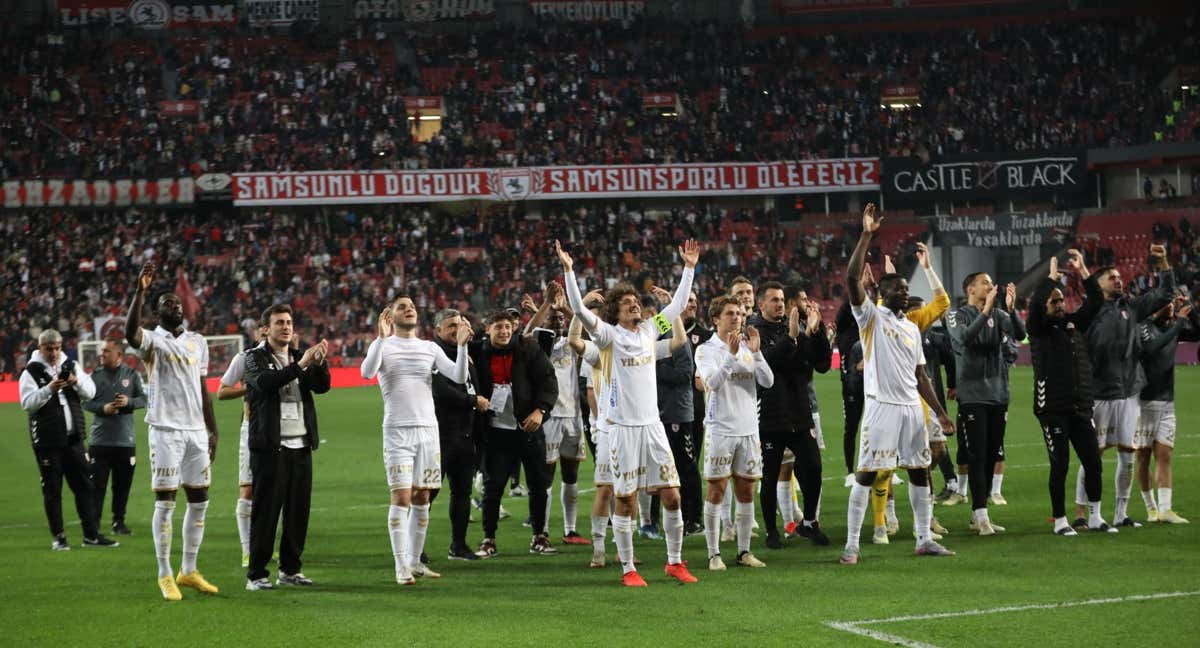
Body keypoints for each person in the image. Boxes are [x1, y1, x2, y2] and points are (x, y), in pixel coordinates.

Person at [559, 238, 702, 587]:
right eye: (627, 303)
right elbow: (578, 309)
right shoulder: (608, 336)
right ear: (615, 313)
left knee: (672, 494)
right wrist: (570, 272)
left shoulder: (651, 332)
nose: (635, 305)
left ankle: (674, 562)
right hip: (622, 429)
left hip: (652, 426)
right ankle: (628, 568)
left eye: (636, 301)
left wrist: (689, 268)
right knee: (624, 500)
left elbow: (679, 307)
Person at [840, 204, 956, 565]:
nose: (906, 294)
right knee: (867, 473)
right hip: (881, 408)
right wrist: (867, 234)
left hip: (911, 409)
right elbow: (851, 279)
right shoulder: (870, 318)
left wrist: (940, 414)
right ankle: (852, 545)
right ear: (885, 294)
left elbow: (920, 375)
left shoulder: (910, 327)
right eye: (900, 290)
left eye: (907, 289)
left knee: (920, 471)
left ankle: (923, 539)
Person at [360, 295, 472, 585]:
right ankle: (400, 566)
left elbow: (458, 376)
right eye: (402, 306)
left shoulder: (429, 347)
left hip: (428, 431)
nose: (409, 309)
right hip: (397, 430)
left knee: (423, 496)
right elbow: (366, 373)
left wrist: (462, 345)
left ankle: (415, 562)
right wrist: (381, 339)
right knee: (401, 497)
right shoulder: (383, 344)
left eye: (411, 306)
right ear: (390, 315)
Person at [125, 261, 220, 600]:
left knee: (200, 501)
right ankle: (164, 574)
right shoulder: (152, 340)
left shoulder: (198, 342)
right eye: (167, 304)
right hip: (165, 429)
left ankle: (189, 570)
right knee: (166, 503)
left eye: (177, 304)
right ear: (157, 312)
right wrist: (140, 292)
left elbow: (203, 387)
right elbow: (129, 333)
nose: (175, 307)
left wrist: (213, 430)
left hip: (196, 430)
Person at [1076, 244, 1175, 528]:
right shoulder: (1090, 312)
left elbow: (1165, 294)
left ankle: (1121, 514)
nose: (1119, 280)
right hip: (1098, 393)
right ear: (1098, 285)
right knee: (1092, 456)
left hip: (1129, 391)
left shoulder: (1131, 307)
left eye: (1120, 277)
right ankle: (1082, 514)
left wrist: (1164, 261)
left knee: (1127, 456)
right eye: (1112, 278)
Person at [242, 305, 330, 590]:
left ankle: (290, 570)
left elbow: (322, 387)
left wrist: (319, 363)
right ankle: (256, 575)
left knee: (297, 511)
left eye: (289, 322)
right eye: (279, 322)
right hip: (271, 446)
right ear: (266, 328)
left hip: (301, 444)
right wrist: (301, 364)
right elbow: (266, 383)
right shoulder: (254, 358)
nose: (286, 327)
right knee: (266, 512)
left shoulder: (297, 355)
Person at [1027, 252, 1113, 534]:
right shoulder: (1038, 330)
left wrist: (1084, 270)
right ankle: (1060, 520)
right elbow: (1038, 302)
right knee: (1060, 464)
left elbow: (1097, 300)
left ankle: (1097, 516)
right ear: (1044, 306)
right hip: (1052, 409)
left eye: (1061, 299)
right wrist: (1050, 278)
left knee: (1093, 462)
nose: (1060, 304)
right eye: (1054, 301)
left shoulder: (1074, 325)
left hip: (1080, 407)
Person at [748, 282, 830, 550]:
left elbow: (821, 365)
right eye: (773, 300)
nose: (780, 304)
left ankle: (809, 522)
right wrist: (792, 338)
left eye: (782, 299)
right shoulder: (754, 331)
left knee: (814, 468)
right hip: (771, 414)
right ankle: (772, 530)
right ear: (761, 305)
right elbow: (767, 364)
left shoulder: (791, 326)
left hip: (800, 411)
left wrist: (815, 333)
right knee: (770, 475)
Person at [471, 308, 559, 558]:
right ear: (488, 330)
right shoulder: (477, 352)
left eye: (508, 326)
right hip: (496, 432)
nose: (505, 331)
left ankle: (540, 536)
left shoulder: (529, 348)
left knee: (538, 484)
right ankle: (489, 539)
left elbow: (549, 380)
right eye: (498, 327)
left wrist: (541, 411)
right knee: (493, 487)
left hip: (528, 429)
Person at [696, 295, 774, 570]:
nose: (737, 318)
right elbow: (713, 384)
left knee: (746, 490)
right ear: (716, 319)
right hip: (721, 430)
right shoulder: (706, 350)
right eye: (730, 313)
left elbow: (768, 380)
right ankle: (713, 554)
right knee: (716, 490)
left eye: (740, 314)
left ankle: (743, 552)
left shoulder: (746, 347)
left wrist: (757, 352)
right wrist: (730, 358)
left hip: (749, 429)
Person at [20, 329, 116, 550]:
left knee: (84, 486)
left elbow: (91, 392)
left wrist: (75, 382)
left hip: (73, 439)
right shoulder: (31, 371)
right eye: (48, 348)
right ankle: (59, 537)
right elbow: (27, 403)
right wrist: (49, 389)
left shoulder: (70, 365)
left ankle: (91, 536)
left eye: (57, 348)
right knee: (53, 490)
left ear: (61, 346)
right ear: (40, 347)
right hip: (47, 440)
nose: (53, 353)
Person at [946, 274, 1024, 535]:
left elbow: (1021, 334)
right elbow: (965, 338)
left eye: (991, 283)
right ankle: (980, 515)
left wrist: (1012, 310)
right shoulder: (956, 314)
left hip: (999, 394)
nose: (991, 286)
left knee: (992, 456)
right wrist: (987, 311)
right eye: (985, 283)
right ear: (971, 288)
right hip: (972, 395)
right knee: (977, 455)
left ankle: (980, 514)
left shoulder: (1000, 313)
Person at [430, 309, 487, 560]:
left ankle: (458, 545)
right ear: (438, 331)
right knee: (427, 493)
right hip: (440, 436)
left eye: (459, 323)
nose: (456, 329)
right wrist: (473, 401)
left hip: (465, 435)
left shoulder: (466, 352)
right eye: (450, 325)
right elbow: (440, 391)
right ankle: (414, 548)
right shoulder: (431, 354)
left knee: (462, 492)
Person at [1134, 296, 1196, 523]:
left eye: (1171, 303)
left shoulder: (1173, 326)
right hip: (1144, 403)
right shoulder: (1143, 327)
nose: (1170, 307)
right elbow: (1151, 349)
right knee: (1143, 457)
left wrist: (1190, 306)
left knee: (1165, 455)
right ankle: (1151, 508)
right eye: (1165, 303)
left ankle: (1166, 509)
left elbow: (1197, 332)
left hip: (1168, 402)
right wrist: (1179, 322)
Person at [85, 337, 147, 536]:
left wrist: (128, 402)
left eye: (106, 352)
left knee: (122, 486)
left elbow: (144, 399)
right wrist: (103, 408)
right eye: (102, 352)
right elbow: (85, 402)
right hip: (99, 441)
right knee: (97, 485)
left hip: (124, 441)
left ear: (119, 355)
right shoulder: (94, 376)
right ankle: (93, 523)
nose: (101, 355)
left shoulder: (132, 375)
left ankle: (118, 522)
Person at [217, 324, 267, 568]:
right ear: (261, 331)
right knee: (248, 491)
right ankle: (248, 550)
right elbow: (222, 391)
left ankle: (264, 546)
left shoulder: (287, 358)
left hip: (281, 432)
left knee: (271, 492)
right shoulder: (246, 358)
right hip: (252, 428)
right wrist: (247, 388)